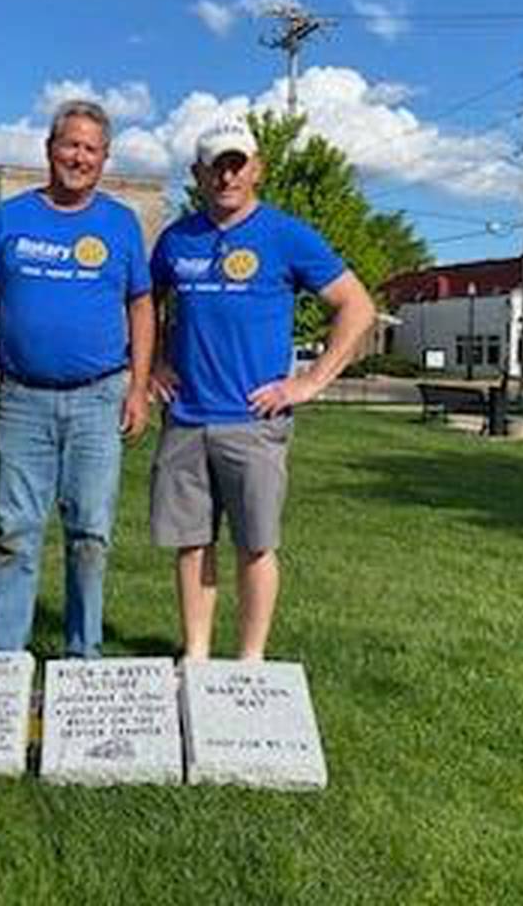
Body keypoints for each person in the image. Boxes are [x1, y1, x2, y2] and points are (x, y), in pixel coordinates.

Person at [149, 118, 376, 662]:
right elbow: (144, 304)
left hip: (254, 421)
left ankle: (251, 662)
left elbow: (357, 305)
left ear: (257, 169)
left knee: (255, 545)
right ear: (196, 173)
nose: (227, 176)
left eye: (237, 164)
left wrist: (310, 381)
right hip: (186, 417)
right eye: (215, 166)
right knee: (191, 541)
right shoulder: (177, 240)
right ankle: (196, 655)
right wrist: (155, 361)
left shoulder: (287, 235)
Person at [0, 100, 155, 659]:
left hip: (99, 398)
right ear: (49, 149)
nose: (79, 157)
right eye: (70, 144)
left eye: (91, 149)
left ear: (105, 157)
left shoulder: (119, 223)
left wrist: (138, 388)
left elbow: (142, 306)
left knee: (91, 533)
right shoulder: (11, 218)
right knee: (15, 531)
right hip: (22, 399)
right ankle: (4, 663)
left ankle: (81, 658)